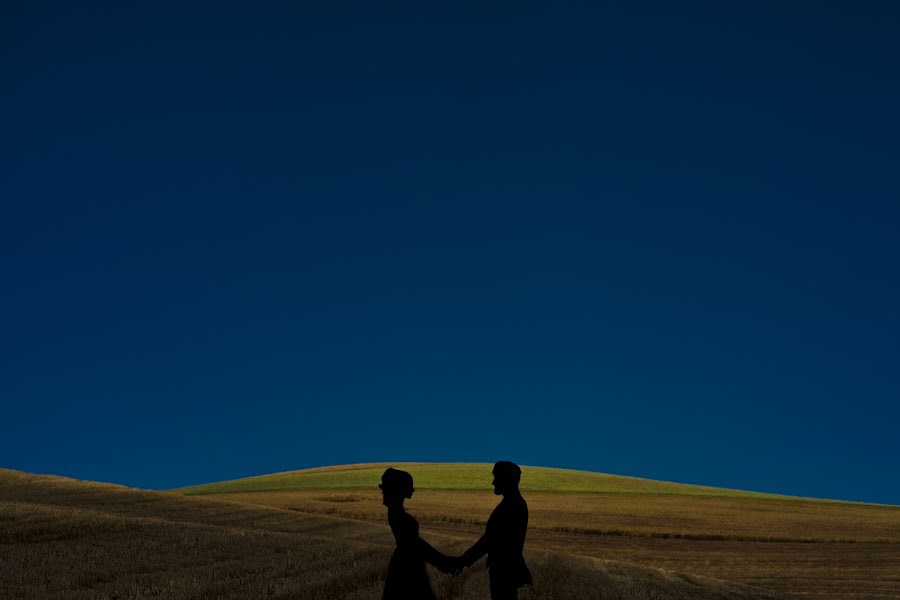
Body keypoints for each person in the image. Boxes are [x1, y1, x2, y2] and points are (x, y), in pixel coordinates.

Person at [455, 461, 532, 600]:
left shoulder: (512, 506)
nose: (493, 482)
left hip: (504, 570)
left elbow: (490, 540)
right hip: (505, 569)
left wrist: (464, 560)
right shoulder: (514, 503)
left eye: (497, 478)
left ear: (506, 480)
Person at [380, 467, 456, 600]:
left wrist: (443, 562)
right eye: (409, 486)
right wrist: (443, 562)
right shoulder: (398, 514)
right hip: (408, 568)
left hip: (406, 565)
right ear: (401, 489)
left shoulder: (396, 512)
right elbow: (416, 544)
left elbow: (416, 543)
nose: (412, 489)